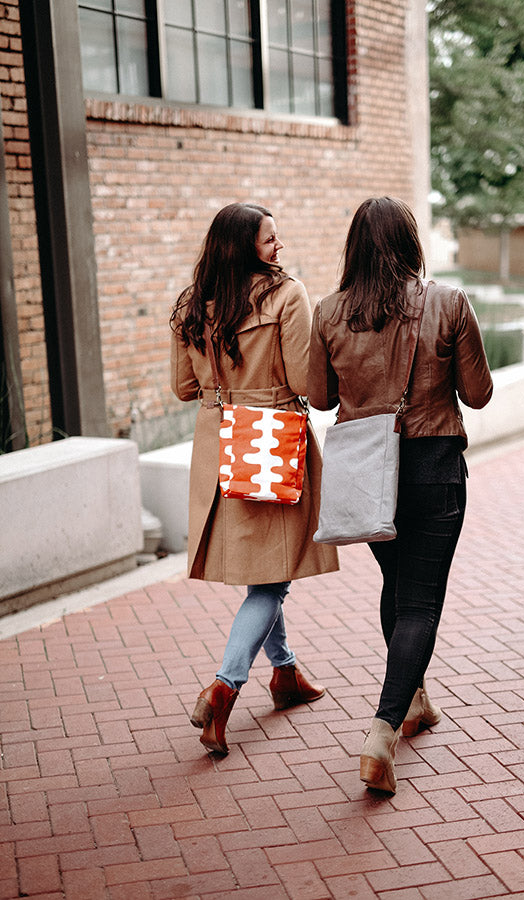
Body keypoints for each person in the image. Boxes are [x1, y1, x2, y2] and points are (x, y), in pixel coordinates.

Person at [307, 197, 493, 792]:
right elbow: (479, 393)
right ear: (411, 243)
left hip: (368, 475)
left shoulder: (330, 312)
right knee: (420, 603)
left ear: (353, 248)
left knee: (399, 585)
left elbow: (319, 397)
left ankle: (415, 702)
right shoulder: (448, 303)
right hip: (434, 467)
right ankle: (382, 733)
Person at [170, 202, 338, 755]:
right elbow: (302, 378)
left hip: (219, 443)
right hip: (270, 440)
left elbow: (182, 388)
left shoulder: (192, 306)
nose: (279, 248)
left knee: (267, 567)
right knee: (272, 580)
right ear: (245, 246)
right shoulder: (287, 295)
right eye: (270, 240)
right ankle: (224, 686)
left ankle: (285, 674)